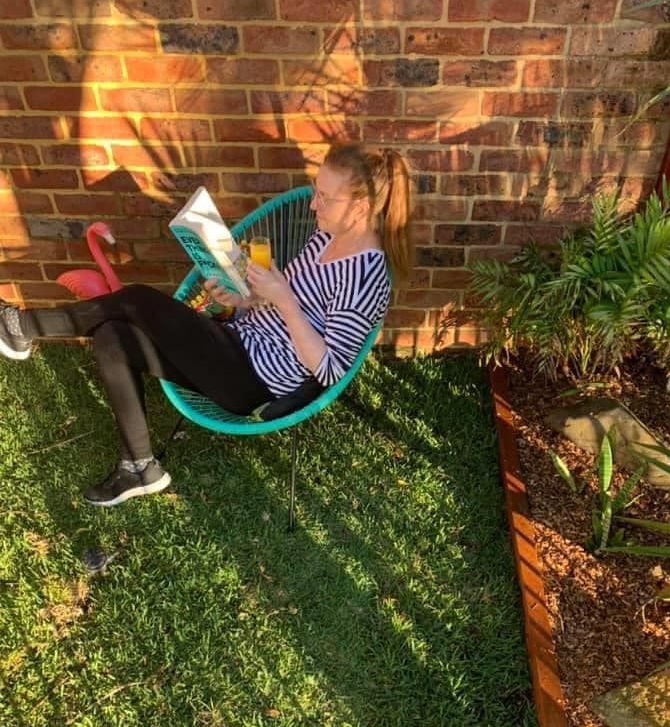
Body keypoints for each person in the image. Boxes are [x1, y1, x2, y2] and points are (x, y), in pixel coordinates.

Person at [0, 145, 413, 506]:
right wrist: (242, 301)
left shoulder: (366, 275)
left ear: (361, 207)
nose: (313, 206)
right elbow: (284, 307)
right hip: (238, 341)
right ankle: (139, 467)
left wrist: (283, 298)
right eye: (315, 192)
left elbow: (329, 370)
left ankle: (22, 326)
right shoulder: (327, 235)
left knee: (137, 298)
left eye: (325, 197)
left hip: (256, 379)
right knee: (113, 338)